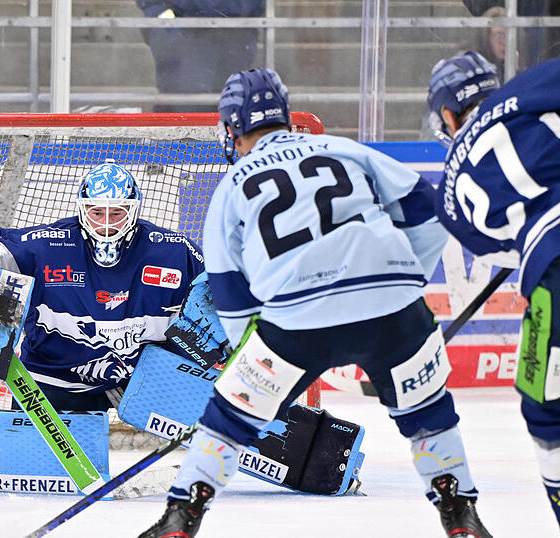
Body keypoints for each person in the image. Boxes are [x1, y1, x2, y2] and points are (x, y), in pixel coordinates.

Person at [139, 67, 493, 538]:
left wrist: (249, 360)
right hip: (393, 310)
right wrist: (406, 279)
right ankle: (459, 514)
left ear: (232, 128)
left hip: (295, 319)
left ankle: (182, 517)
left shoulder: (232, 185)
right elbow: (426, 206)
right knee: (428, 414)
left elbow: (227, 284)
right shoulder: (345, 149)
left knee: (228, 417)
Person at [427, 49, 560, 537]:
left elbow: (509, 254)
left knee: (552, 417)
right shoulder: (535, 87)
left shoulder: (449, 194)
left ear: (446, 115)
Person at [0, 161, 205, 412]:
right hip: (57, 377)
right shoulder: (49, 244)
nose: (106, 224)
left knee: (210, 439)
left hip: (143, 377)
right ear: (82, 210)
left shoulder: (174, 250)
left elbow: (218, 294)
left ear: (134, 210)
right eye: (97, 213)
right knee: (43, 454)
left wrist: (203, 355)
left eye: (117, 213)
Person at [135, 0, 264, 113]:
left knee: (230, 105)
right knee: (184, 109)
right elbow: (152, 5)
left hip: (235, 37)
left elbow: (254, 5)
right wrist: (167, 23)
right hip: (185, 38)